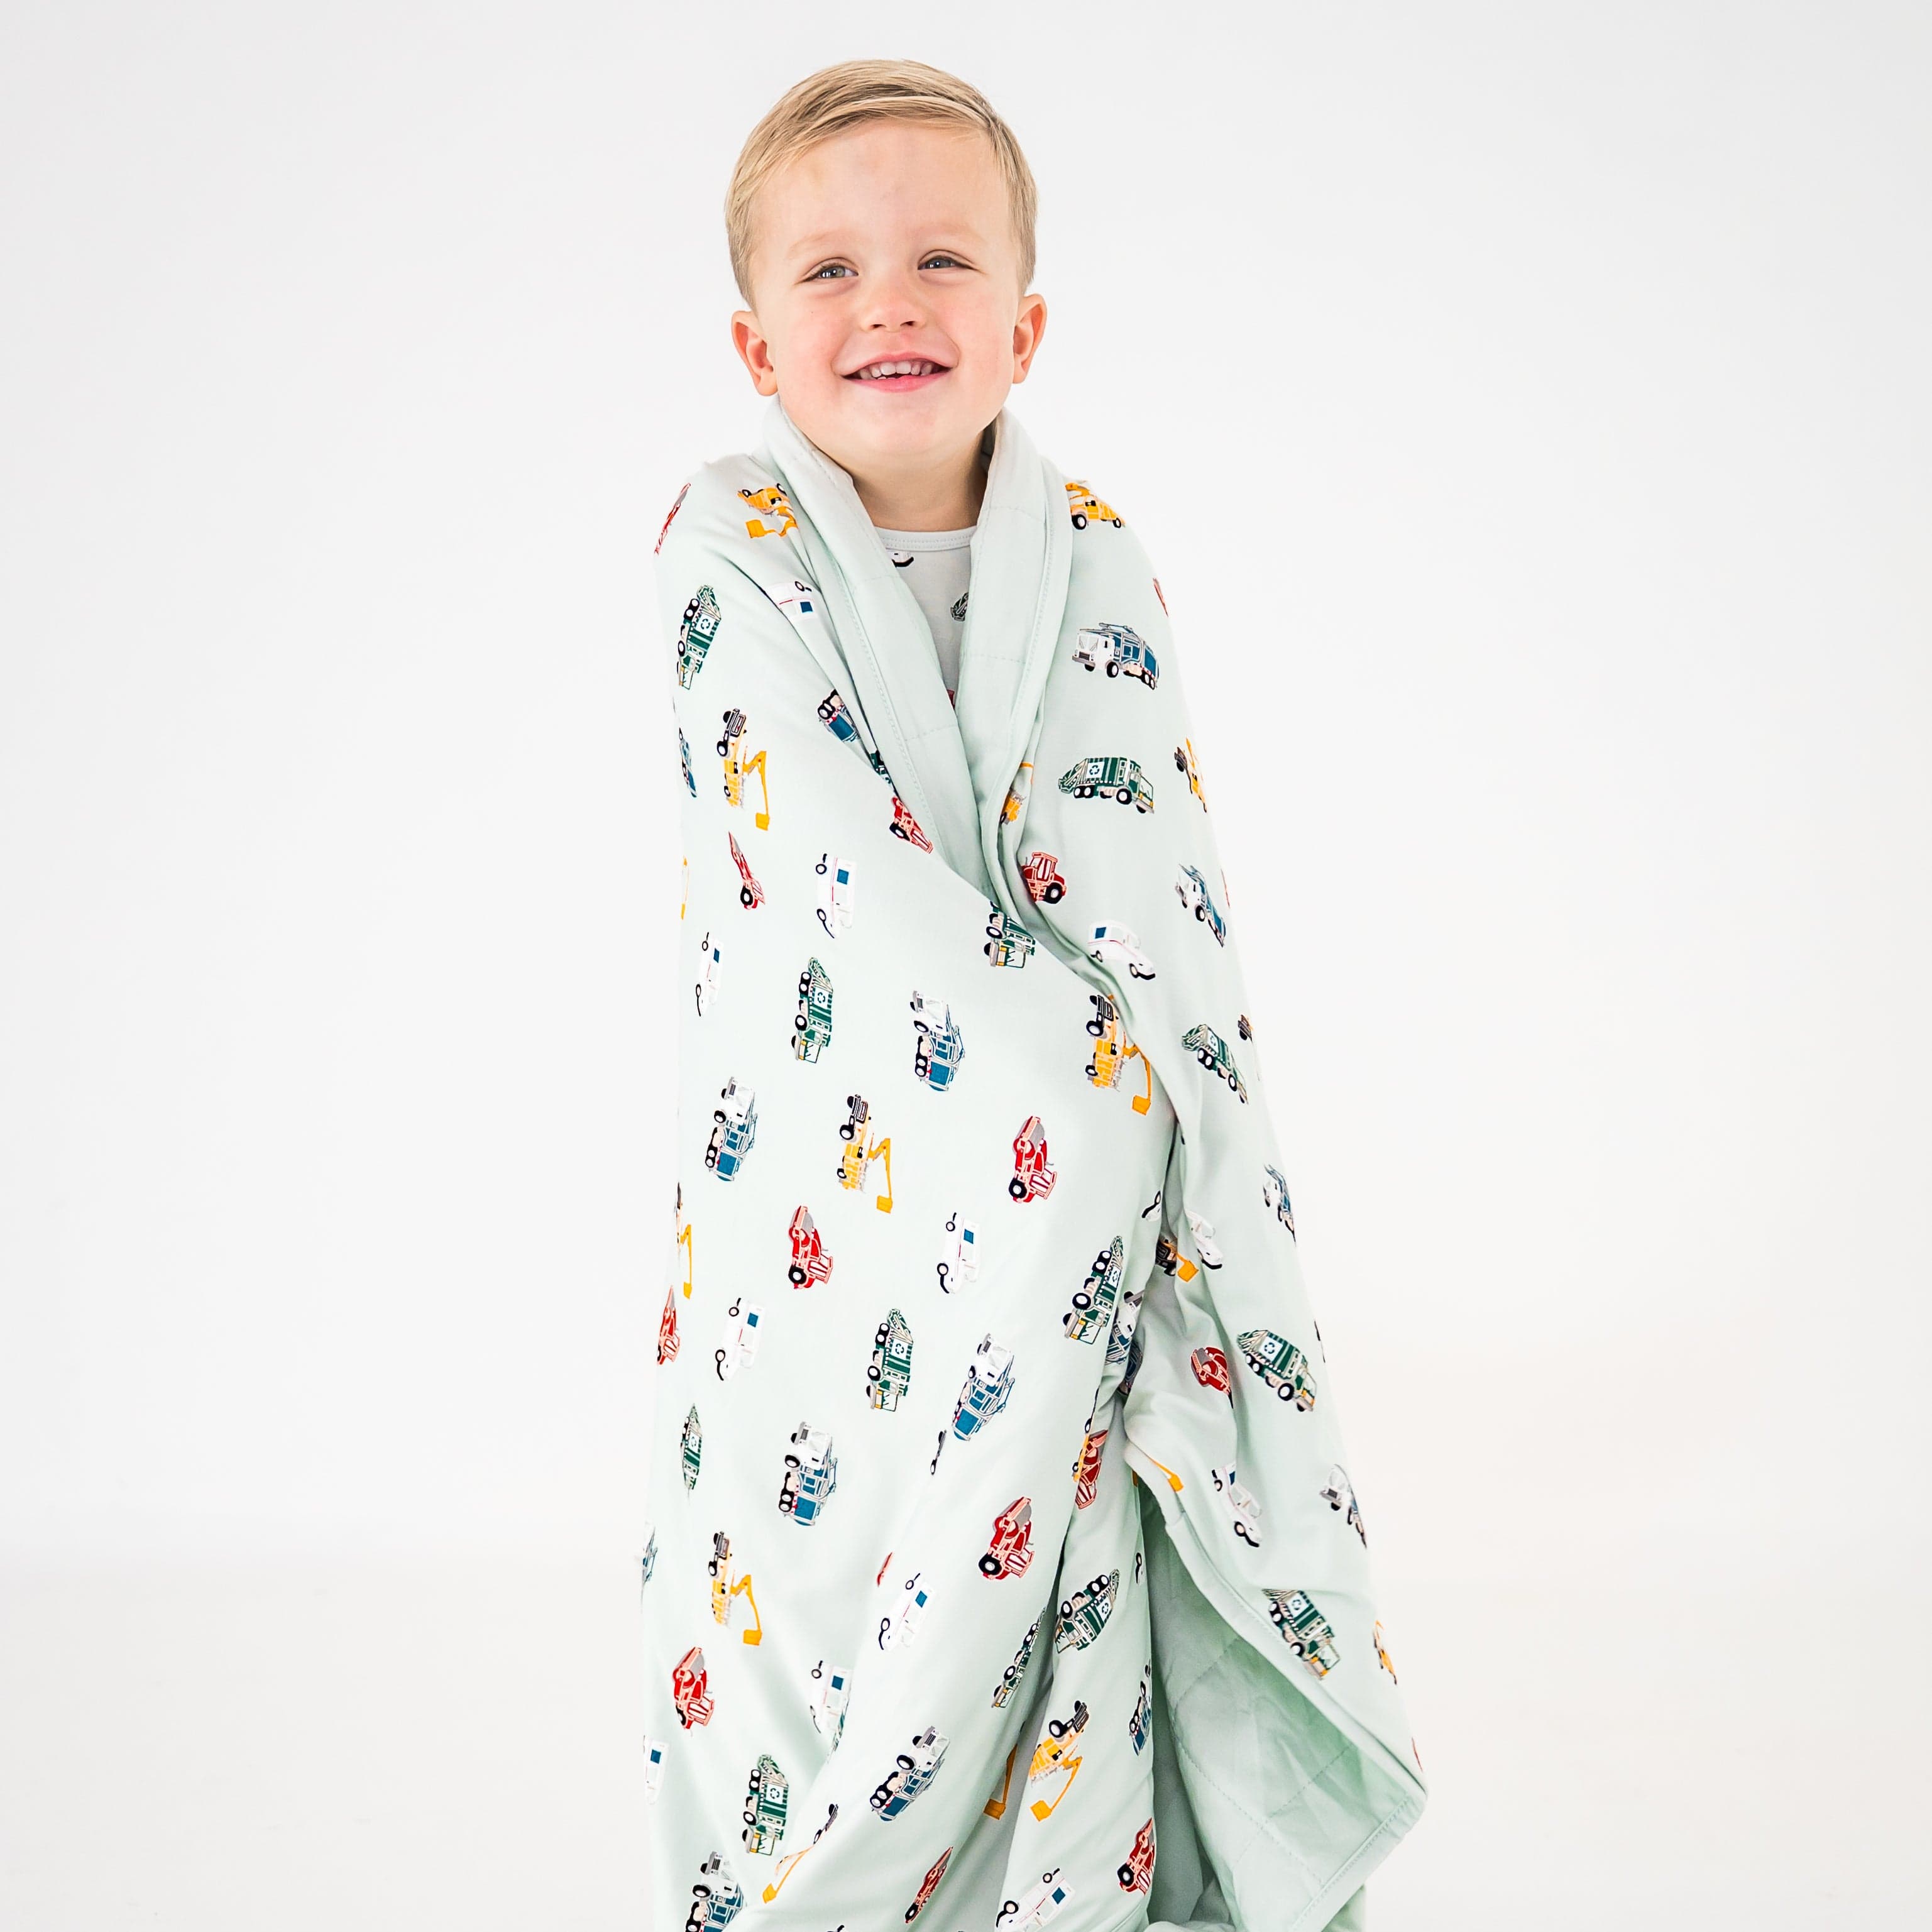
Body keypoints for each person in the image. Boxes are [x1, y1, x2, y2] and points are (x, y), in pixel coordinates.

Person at [642, 60, 1425, 1929]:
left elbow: (1156, 895)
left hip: (1085, 1208)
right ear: (756, 348)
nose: (889, 303)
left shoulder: (1100, 568)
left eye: (941, 259)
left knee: (1085, 1520)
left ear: (1025, 324)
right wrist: (1067, 1101)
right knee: (820, 1577)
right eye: (830, 270)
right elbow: (830, 872)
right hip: (836, 1186)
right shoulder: (727, 551)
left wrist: (1123, 1130)